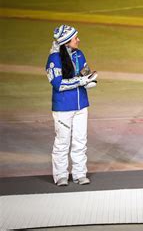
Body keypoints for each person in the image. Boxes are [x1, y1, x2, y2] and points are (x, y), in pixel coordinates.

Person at [45, 25, 97, 186]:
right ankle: (60, 175)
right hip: (63, 107)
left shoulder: (79, 54)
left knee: (80, 140)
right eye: (75, 38)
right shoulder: (54, 59)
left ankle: (79, 173)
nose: (78, 40)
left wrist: (90, 80)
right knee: (62, 141)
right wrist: (81, 81)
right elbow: (57, 84)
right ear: (66, 41)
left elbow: (85, 72)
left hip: (81, 105)